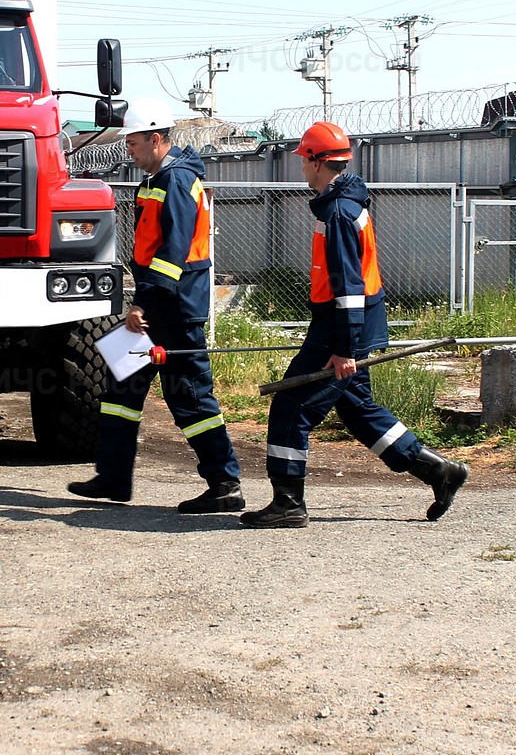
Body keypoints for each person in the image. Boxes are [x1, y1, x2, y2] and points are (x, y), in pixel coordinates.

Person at [241, 121, 469, 528]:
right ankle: (439, 471)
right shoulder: (345, 203)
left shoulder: (340, 212)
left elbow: (349, 287)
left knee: (291, 409)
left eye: (303, 160)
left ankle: (288, 503)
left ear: (315, 161)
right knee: (358, 409)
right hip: (347, 325)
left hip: (341, 328)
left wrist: (345, 347)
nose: (301, 168)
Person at [68, 98, 244, 513]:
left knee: (190, 399)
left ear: (157, 138)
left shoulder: (177, 181)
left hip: (174, 311)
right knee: (120, 384)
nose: (128, 148)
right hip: (158, 308)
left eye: (134, 141)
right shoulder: (156, 179)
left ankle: (224, 483)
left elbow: (173, 253)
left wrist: (143, 304)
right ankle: (112, 477)